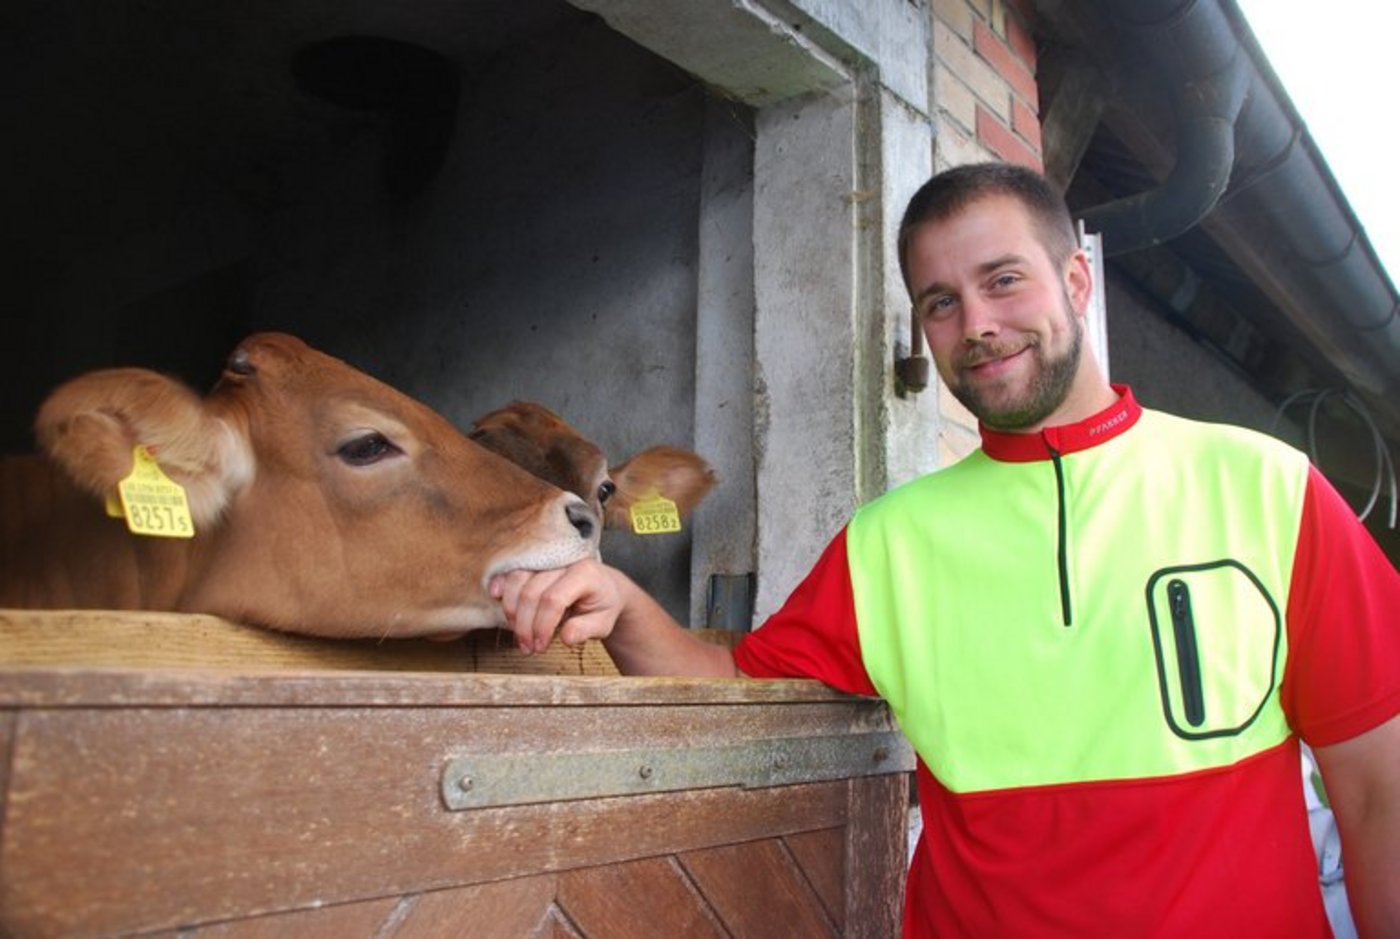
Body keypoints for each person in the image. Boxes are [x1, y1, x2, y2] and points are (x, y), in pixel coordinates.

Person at [491, 162, 1400, 938]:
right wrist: (625, 603)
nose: (977, 324)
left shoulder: (1266, 487)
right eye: (941, 302)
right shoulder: (890, 541)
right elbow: (734, 687)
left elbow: (1376, 792)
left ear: (1076, 280)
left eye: (1004, 281)